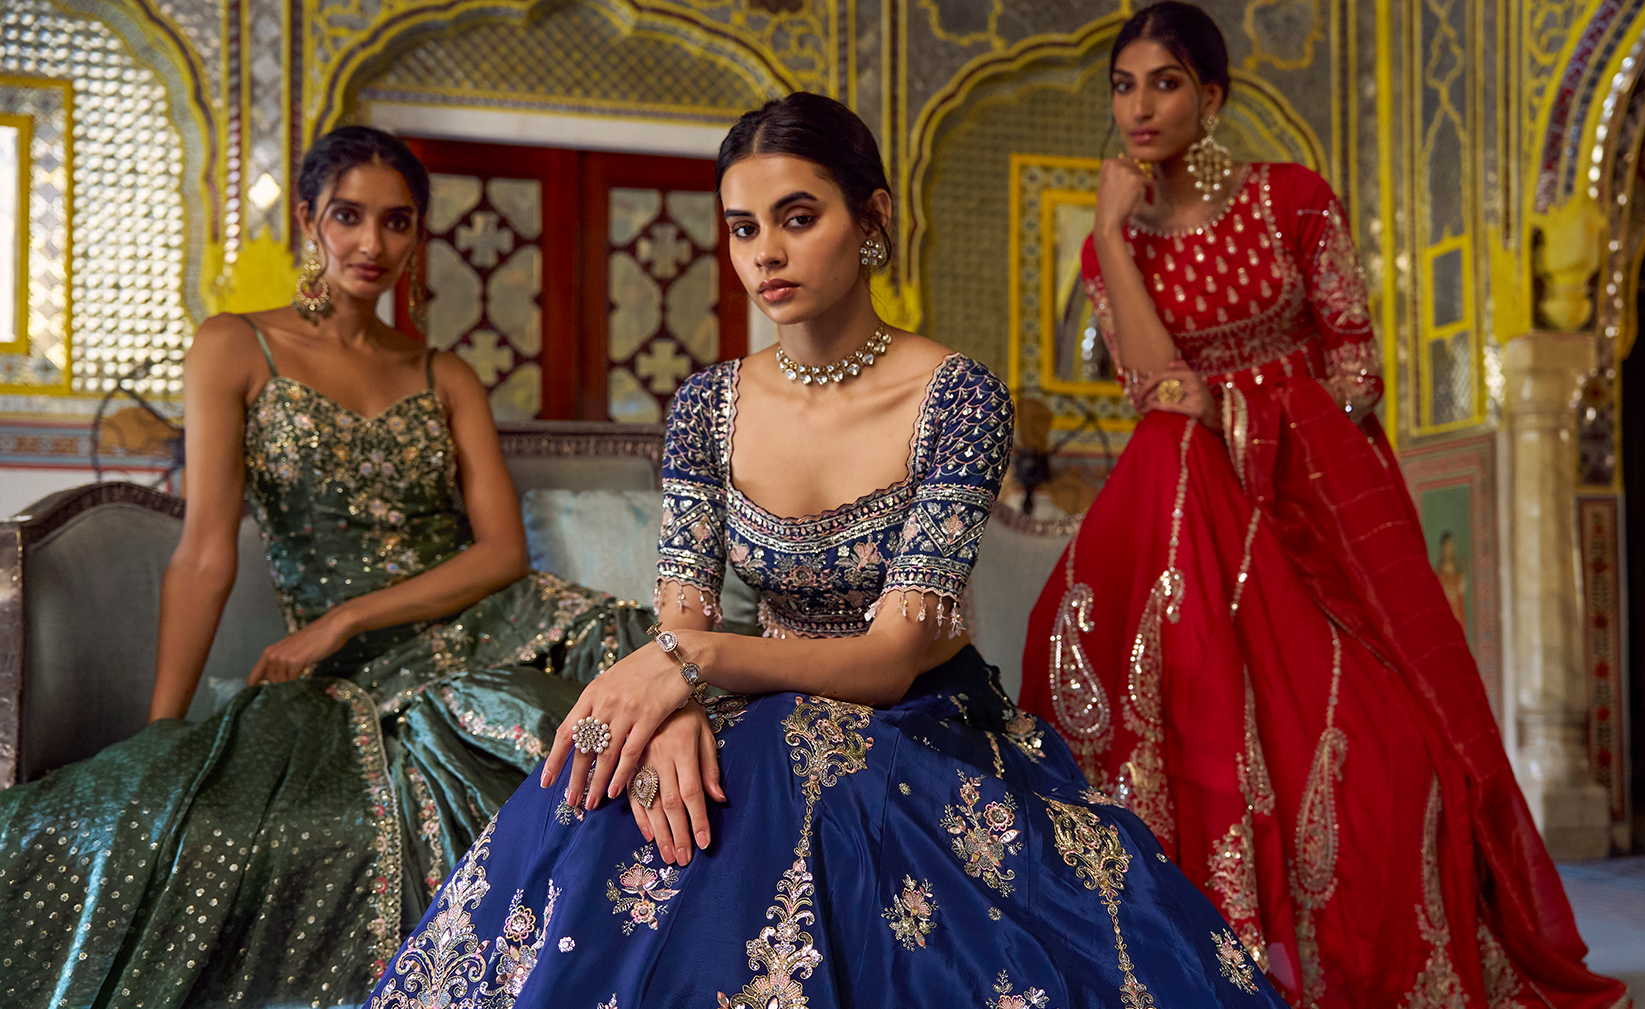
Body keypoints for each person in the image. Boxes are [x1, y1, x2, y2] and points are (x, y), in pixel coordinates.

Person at [366, 92, 1284, 1009]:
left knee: (785, 752)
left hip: (922, 723)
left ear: (873, 217)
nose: (764, 251)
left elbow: (886, 663)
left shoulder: (956, 399)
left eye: (798, 218)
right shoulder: (704, 407)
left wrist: (684, 664)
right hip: (754, 700)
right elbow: (683, 610)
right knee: (622, 778)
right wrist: (677, 705)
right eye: (741, 227)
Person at [1017, 5, 1630, 1008]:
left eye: (1162, 82)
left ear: (1209, 98)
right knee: (1170, 442)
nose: (1137, 106)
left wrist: (1256, 420)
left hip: (1309, 498)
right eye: (1121, 86)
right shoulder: (1108, 253)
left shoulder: (1289, 198)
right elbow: (1153, 388)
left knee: (1403, 744)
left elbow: (1352, 364)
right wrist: (1109, 236)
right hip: (1190, 512)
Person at [0, 126, 650, 1009]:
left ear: (419, 236)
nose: (372, 244)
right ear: (309, 219)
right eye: (349, 216)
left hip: (502, 628)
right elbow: (204, 554)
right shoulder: (234, 347)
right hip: (356, 684)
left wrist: (342, 618)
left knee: (653, 721)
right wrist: (165, 730)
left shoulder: (444, 372)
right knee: (114, 817)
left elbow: (500, 553)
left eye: (397, 222)